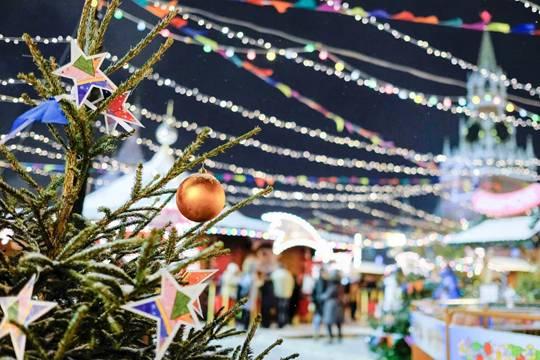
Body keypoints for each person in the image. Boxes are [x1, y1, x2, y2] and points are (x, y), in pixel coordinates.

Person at [321, 270, 344, 343]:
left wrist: (320, 296)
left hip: (331, 306)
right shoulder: (340, 286)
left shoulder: (332, 287)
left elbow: (326, 295)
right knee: (338, 322)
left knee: (328, 322)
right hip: (339, 305)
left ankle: (330, 337)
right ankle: (339, 336)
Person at [271, 262, 295, 328]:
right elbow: (292, 284)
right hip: (287, 294)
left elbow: (271, 282)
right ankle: (284, 322)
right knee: (284, 309)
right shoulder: (288, 274)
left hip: (278, 294)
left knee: (279, 309)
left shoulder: (276, 273)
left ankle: (279, 322)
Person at [312, 267, 327, 339]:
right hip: (320, 303)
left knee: (319, 319)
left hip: (320, 303)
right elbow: (314, 292)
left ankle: (317, 333)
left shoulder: (319, 281)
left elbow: (314, 292)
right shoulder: (320, 281)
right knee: (319, 319)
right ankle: (316, 333)